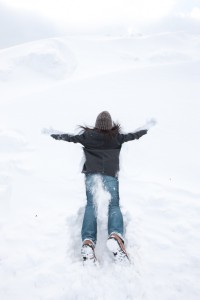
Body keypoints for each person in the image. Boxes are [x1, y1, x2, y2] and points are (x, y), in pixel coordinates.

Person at [51, 111, 148, 265]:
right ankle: (116, 235)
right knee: (113, 204)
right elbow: (134, 135)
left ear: (96, 124)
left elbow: (70, 138)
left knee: (91, 205)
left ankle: (88, 242)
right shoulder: (116, 137)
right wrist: (147, 129)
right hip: (110, 174)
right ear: (110, 126)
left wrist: (53, 135)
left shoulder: (87, 137)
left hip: (91, 174)